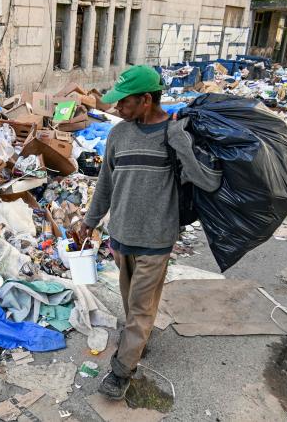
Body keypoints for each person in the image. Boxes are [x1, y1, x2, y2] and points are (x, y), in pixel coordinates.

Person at [79, 65, 190, 400]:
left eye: (124, 103)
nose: (116, 109)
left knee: (140, 307)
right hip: (121, 237)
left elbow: (204, 181)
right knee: (133, 303)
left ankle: (121, 371)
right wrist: (90, 221)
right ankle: (138, 337)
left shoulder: (173, 135)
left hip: (156, 239)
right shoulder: (118, 134)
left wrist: (182, 144)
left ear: (145, 100)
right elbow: (106, 184)